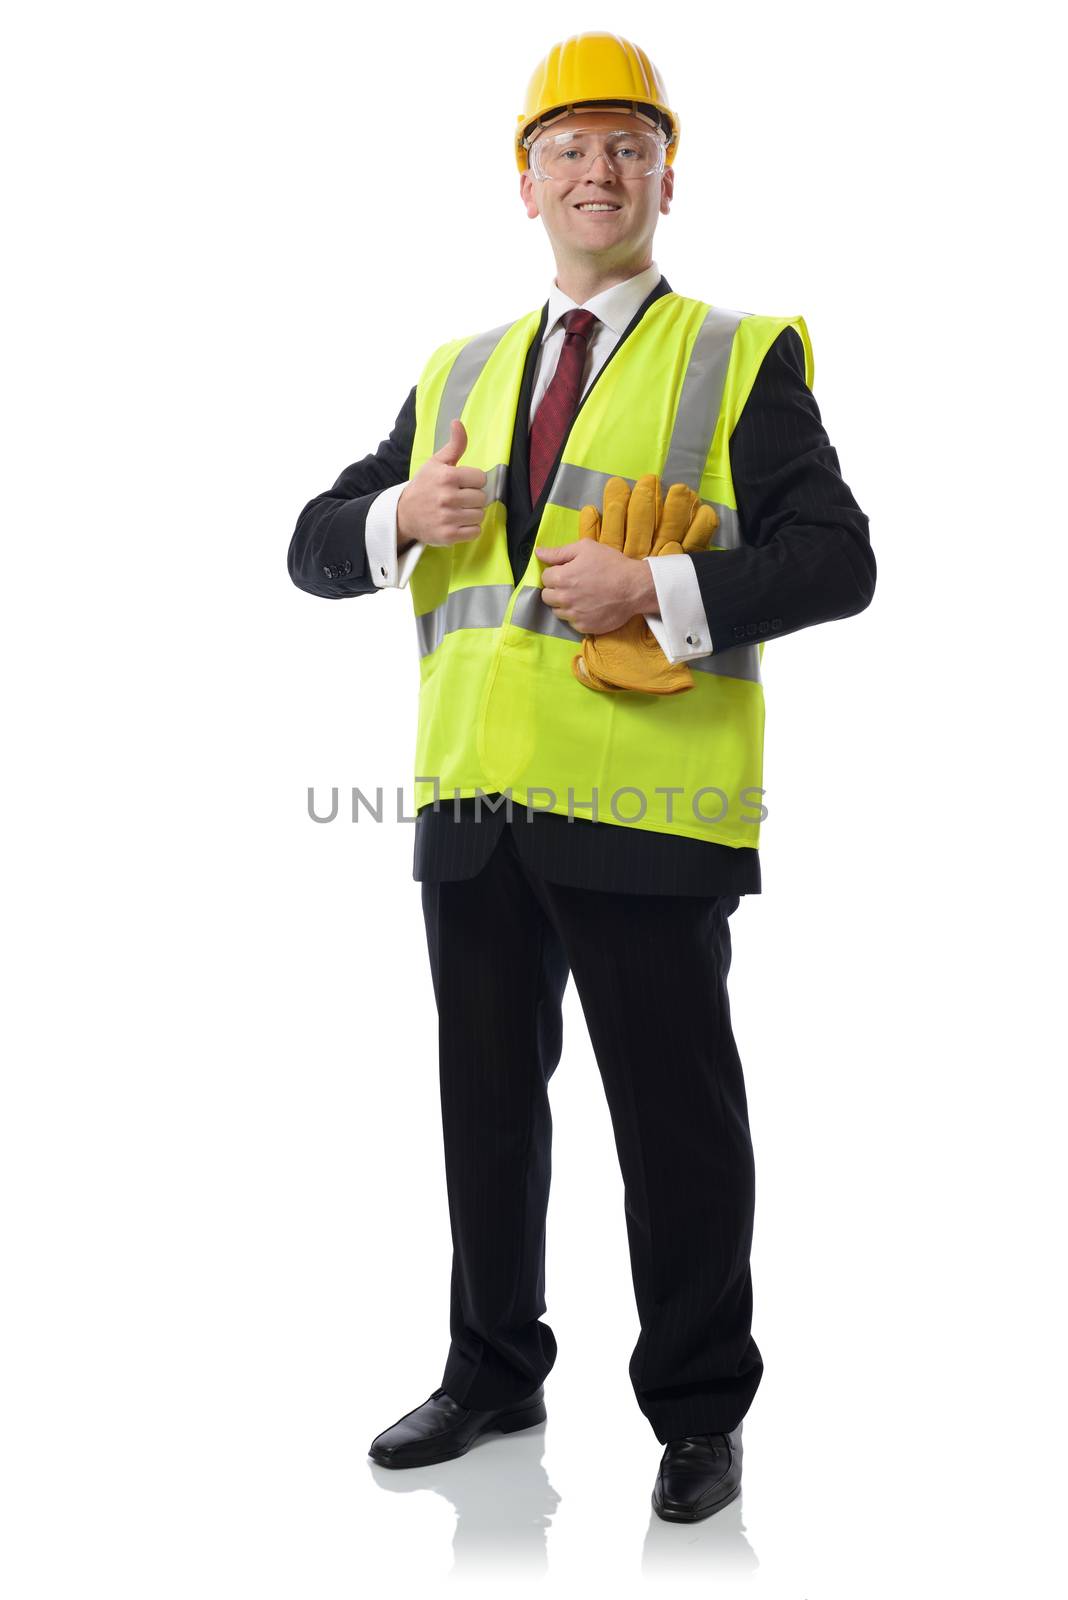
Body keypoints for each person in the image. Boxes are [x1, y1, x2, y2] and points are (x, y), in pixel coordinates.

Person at [287, 32, 875, 1523]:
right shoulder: (459, 373)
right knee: (485, 1108)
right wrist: (396, 516)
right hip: (476, 809)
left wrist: (663, 586)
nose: (597, 171)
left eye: (625, 146)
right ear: (526, 182)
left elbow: (842, 560)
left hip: (648, 805)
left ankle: (695, 1408)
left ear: (668, 174)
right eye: (569, 147)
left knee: (675, 1123)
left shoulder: (738, 357)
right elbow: (310, 545)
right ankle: (492, 1371)